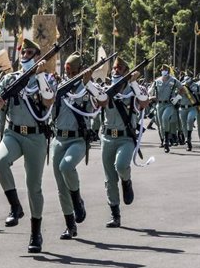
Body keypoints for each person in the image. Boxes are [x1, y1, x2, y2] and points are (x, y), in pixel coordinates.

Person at [0, 39, 55, 253]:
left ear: (38, 57)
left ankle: (35, 233)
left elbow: (47, 102)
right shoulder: (10, 78)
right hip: (13, 133)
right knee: (0, 163)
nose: (25, 55)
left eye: (30, 52)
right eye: (23, 52)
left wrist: (38, 75)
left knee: (34, 187)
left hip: (35, 137)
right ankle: (15, 206)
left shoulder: (46, 79)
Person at [50, 53, 96, 240]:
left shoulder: (86, 88)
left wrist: (88, 84)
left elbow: (98, 104)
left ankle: (77, 201)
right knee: (61, 187)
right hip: (58, 139)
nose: (68, 71)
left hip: (77, 140)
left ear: (78, 69)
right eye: (66, 68)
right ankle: (70, 225)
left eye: (71, 69)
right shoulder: (59, 87)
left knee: (66, 166)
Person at [99, 56, 149, 228]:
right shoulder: (106, 89)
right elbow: (98, 102)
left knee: (121, 166)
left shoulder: (135, 90)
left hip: (125, 137)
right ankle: (115, 214)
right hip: (107, 137)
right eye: (114, 68)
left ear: (127, 72)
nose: (115, 71)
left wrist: (134, 83)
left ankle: (126, 181)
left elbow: (144, 102)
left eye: (120, 69)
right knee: (109, 178)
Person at [149, 64, 181, 153]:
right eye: (162, 70)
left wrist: (177, 98)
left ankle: (166, 141)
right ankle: (164, 140)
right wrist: (151, 96)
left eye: (165, 70)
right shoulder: (157, 81)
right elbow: (151, 91)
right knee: (160, 125)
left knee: (165, 118)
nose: (164, 71)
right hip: (159, 105)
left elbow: (182, 89)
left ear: (168, 71)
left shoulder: (174, 81)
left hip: (169, 104)